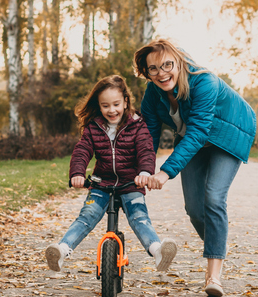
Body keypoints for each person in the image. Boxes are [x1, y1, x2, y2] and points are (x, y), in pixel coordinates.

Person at [132, 39, 256, 297]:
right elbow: (149, 135)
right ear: (146, 72)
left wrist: (165, 172)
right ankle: (216, 246)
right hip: (192, 138)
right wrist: (144, 170)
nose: (161, 73)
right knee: (194, 209)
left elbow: (199, 131)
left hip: (227, 135)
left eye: (167, 65)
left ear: (179, 62)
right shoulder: (153, 93)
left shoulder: (204, 81)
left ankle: (214, 275)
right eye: (153, 68)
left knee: (214, 198)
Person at [45, 75, 177, 273]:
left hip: (131, 184)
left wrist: (144, 173)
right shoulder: (94, 126)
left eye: (116, 104)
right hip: (101, 183)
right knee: (87, 216)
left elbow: (146, 150)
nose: (111, 110)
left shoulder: (137, 125)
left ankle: (158, 251)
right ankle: (62, 251)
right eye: (105, 106)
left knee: (139, 217)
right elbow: (82, 150)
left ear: (125, 102)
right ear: (99, 106)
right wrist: (77, 173)